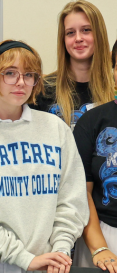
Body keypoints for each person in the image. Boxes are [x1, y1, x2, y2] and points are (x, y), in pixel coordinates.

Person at [0, 40, 89, 273]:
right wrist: (24, 258)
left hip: (51, 264)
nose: (21, 82)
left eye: (29, 75)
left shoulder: (55, 129)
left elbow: (72, 200)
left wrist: (61, 250)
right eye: (10, 73)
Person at [31, 0, 114, 130]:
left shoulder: (114, 87)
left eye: (86, 30)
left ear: (99, 35)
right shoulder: (42, 89)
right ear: (63, 40)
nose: (78, 38)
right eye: (70, 33)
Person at [73, 51, 117, 271]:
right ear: (114, 71)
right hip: (100, 233)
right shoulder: (92, 121)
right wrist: (100, 248)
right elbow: (81, 191)